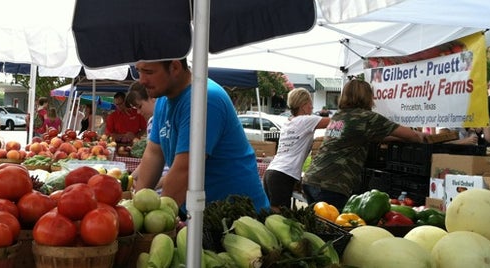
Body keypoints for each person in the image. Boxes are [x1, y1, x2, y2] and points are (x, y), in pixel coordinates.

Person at [132, 58, 270, 213]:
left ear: (175, 67)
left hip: (239, 217)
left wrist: (157, 221)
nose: (142, 80)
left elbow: (185, 170)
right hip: (203, 214)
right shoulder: (163, 101)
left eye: (149, 72)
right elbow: (154, 154)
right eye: (139, 71)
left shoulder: (205, 99)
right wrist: (136, 208)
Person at [302, 79, 426, 211]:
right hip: (332, 185)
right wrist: (421, 136)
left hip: (312, 180)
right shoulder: (367, 117)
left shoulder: (339, 116)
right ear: (366, 96)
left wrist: (398, 138)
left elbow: (370, 136)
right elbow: (412, 135)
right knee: (333, 228)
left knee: (318, 227)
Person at [263, 88, 330, 211]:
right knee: (280, 219)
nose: (312, 108)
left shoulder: (288, 123)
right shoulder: (306, 120)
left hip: (271, 172)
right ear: (303, 106)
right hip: (283, 175)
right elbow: (334, 122)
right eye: (310, 105)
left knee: (271, 217)